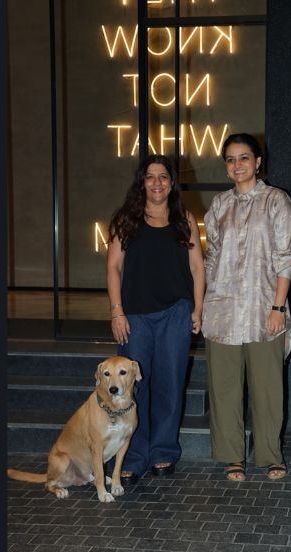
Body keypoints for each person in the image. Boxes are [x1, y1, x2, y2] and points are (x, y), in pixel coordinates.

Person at [202, 133, 291, 482]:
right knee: (225, 388)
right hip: (222, 311)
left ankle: (271, 454)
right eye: (230, 159)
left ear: (258, 162)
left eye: (244, 157)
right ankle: (232, 456)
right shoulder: (219, 205)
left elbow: (286, 258)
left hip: (263, 309)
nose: (237, 165)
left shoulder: (277, 200)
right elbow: (211, 259)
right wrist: (202, 306)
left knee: (267, 388)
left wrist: (278, 308)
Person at [106, 154, 205, 485]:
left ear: (172, 183)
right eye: (150, 177)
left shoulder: (184, 219)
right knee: (133, 387)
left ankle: (163, 449)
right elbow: (113, 268)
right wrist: (117, 311)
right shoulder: (127, 219)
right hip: (135, 317)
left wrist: (198, 308)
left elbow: (197, 267)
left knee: (170, 383)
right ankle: (134, 455)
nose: (157, 183)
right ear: (142, 182)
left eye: (163, 176)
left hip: (175, 313)